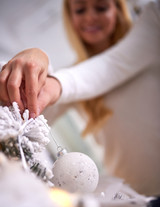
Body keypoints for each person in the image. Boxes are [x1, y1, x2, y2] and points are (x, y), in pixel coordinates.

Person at [0, 0, 160, 196]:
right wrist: (31, 72)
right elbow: (29, 114)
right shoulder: (73, 77)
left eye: (101, 8)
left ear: (118, 9)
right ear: (70, 18)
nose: (90, 17)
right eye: (80, 10)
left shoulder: (150, 42)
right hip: (134, 199)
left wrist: (54, 81)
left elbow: (112, 65)